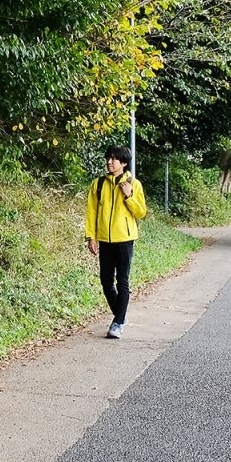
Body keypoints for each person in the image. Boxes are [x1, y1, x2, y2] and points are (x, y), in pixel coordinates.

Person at [84, 145, 148, 339]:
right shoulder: (98, 184)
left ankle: (118, 323)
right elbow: (91, 212)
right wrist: (91, 236)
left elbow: (141, 212)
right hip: (104, 239)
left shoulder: (133, 184)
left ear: (124, 162)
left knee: (123, 281)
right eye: (108, 158)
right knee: (105, 281)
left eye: (114, 159)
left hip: (125, 239)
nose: (110, 162)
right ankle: (121, 315)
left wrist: (128, 195)